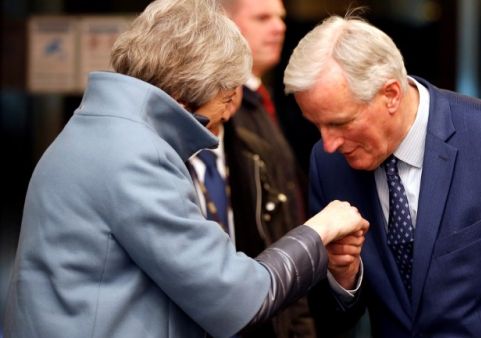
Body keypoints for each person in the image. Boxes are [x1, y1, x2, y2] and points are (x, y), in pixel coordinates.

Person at [2, 2, 369, 338]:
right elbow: (235, 298)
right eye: (226, 99)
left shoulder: (97, 130)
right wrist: (318, 230)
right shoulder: (136, 155)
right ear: (185, 92)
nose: (227, 114)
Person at [283, 14, 481, 337]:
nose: (329, 142)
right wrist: (342, 276)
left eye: (340, 123)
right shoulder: (328, 164)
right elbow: (329, 318)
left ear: (391, 94)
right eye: (316, 125)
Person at [189, 2, 316, 336]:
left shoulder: (268, 99)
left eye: (281, 18)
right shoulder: (218, 115)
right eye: (262, 18)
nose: (278, 28)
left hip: (281, 293)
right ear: (225, 27)